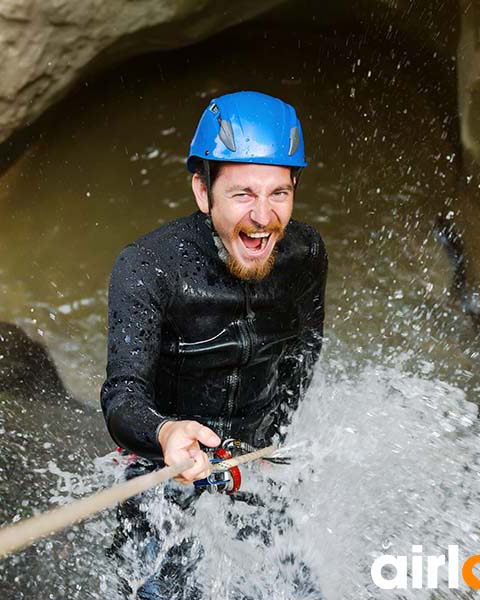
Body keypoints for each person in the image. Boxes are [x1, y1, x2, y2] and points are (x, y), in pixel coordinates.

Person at [100, 91, 328, 598]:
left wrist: (275, 441)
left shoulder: (306, 255)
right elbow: (121, 397)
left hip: (251, 464)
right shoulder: (148, 267)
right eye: (243, 194)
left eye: (280, 194)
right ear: (203, 191)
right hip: (163, 469)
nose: (264, 218)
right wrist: (163, 434)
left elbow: (302, 354)